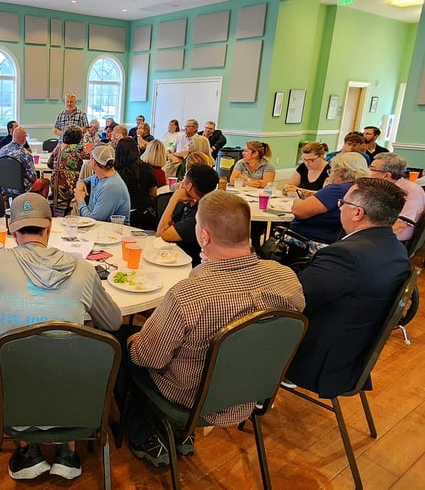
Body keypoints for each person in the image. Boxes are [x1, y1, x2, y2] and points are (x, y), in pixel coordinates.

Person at [123, 191, 305, 465]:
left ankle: (146, 436)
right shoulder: (287, 278)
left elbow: (149, 358)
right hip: (252, 390)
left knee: (121, 346)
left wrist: (135, 338)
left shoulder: (189, 295)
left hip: (190, 397)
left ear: (204, 236)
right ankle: (182, 435)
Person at [0, 192, 122, 481]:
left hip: (13, 404)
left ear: (12, 230)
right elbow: (113, 322)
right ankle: (68, 449)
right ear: (49, 227)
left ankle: (27, 450)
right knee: (77, 343)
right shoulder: (83, 268)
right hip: (80, 403)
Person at [286, 178, 409, 398]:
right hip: (353, 353)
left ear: (358, 213)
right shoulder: (396, 249)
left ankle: (247, 402)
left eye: (342, 203)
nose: (340, 207)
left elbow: (295, 299)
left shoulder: (347, 255)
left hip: (317, 360)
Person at [290, 152, 369, 245]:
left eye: (331, 171)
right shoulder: (361, 188)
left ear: (340, 171)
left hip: (310, 240)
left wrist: (297, 201)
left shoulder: (336, 189)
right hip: (337, 240)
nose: (329, 175)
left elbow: (299, 211)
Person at [155, 164, 219, 265]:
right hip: (178, 256)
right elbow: (170, 226)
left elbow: (160, 235)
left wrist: (174, 199)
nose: (181, 183)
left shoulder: (198, 216)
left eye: (184, 179)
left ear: (189, 186)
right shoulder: (195, 205)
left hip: (187, 264)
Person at [369, 152, 425, 242]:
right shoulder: (380, 187)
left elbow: (400, 225)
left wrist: (371, 239)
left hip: (392, 239)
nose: (368, 172)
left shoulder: (411, 191)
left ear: (386, 175)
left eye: (372, 169)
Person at [73, 144, 130, 222]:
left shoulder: (111, 187)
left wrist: (80, 201)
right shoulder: (100, 176)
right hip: (101, 227)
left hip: (111, 228)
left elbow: (94, 220)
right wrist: (80, 184)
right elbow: (84, 181)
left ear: (93, 162)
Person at [115, 138, 158, 230]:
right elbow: (153, 194)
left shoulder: (113, 170)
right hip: (142, 214)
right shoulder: (146, 168)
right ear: (136, 150)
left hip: (118, 215)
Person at [47, 126, 90, 206]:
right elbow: (91, 158)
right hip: (70, 186)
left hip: (55, 187)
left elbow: (49, 164)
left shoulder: (58, 147)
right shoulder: (78, 148)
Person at [0, 126, 36, 196]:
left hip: (3, 187)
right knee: (44, 182)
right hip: (21, 188)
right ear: (24, 139)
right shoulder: (26, 154)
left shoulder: (1, 151)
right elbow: (32, 177)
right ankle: (34, 202)